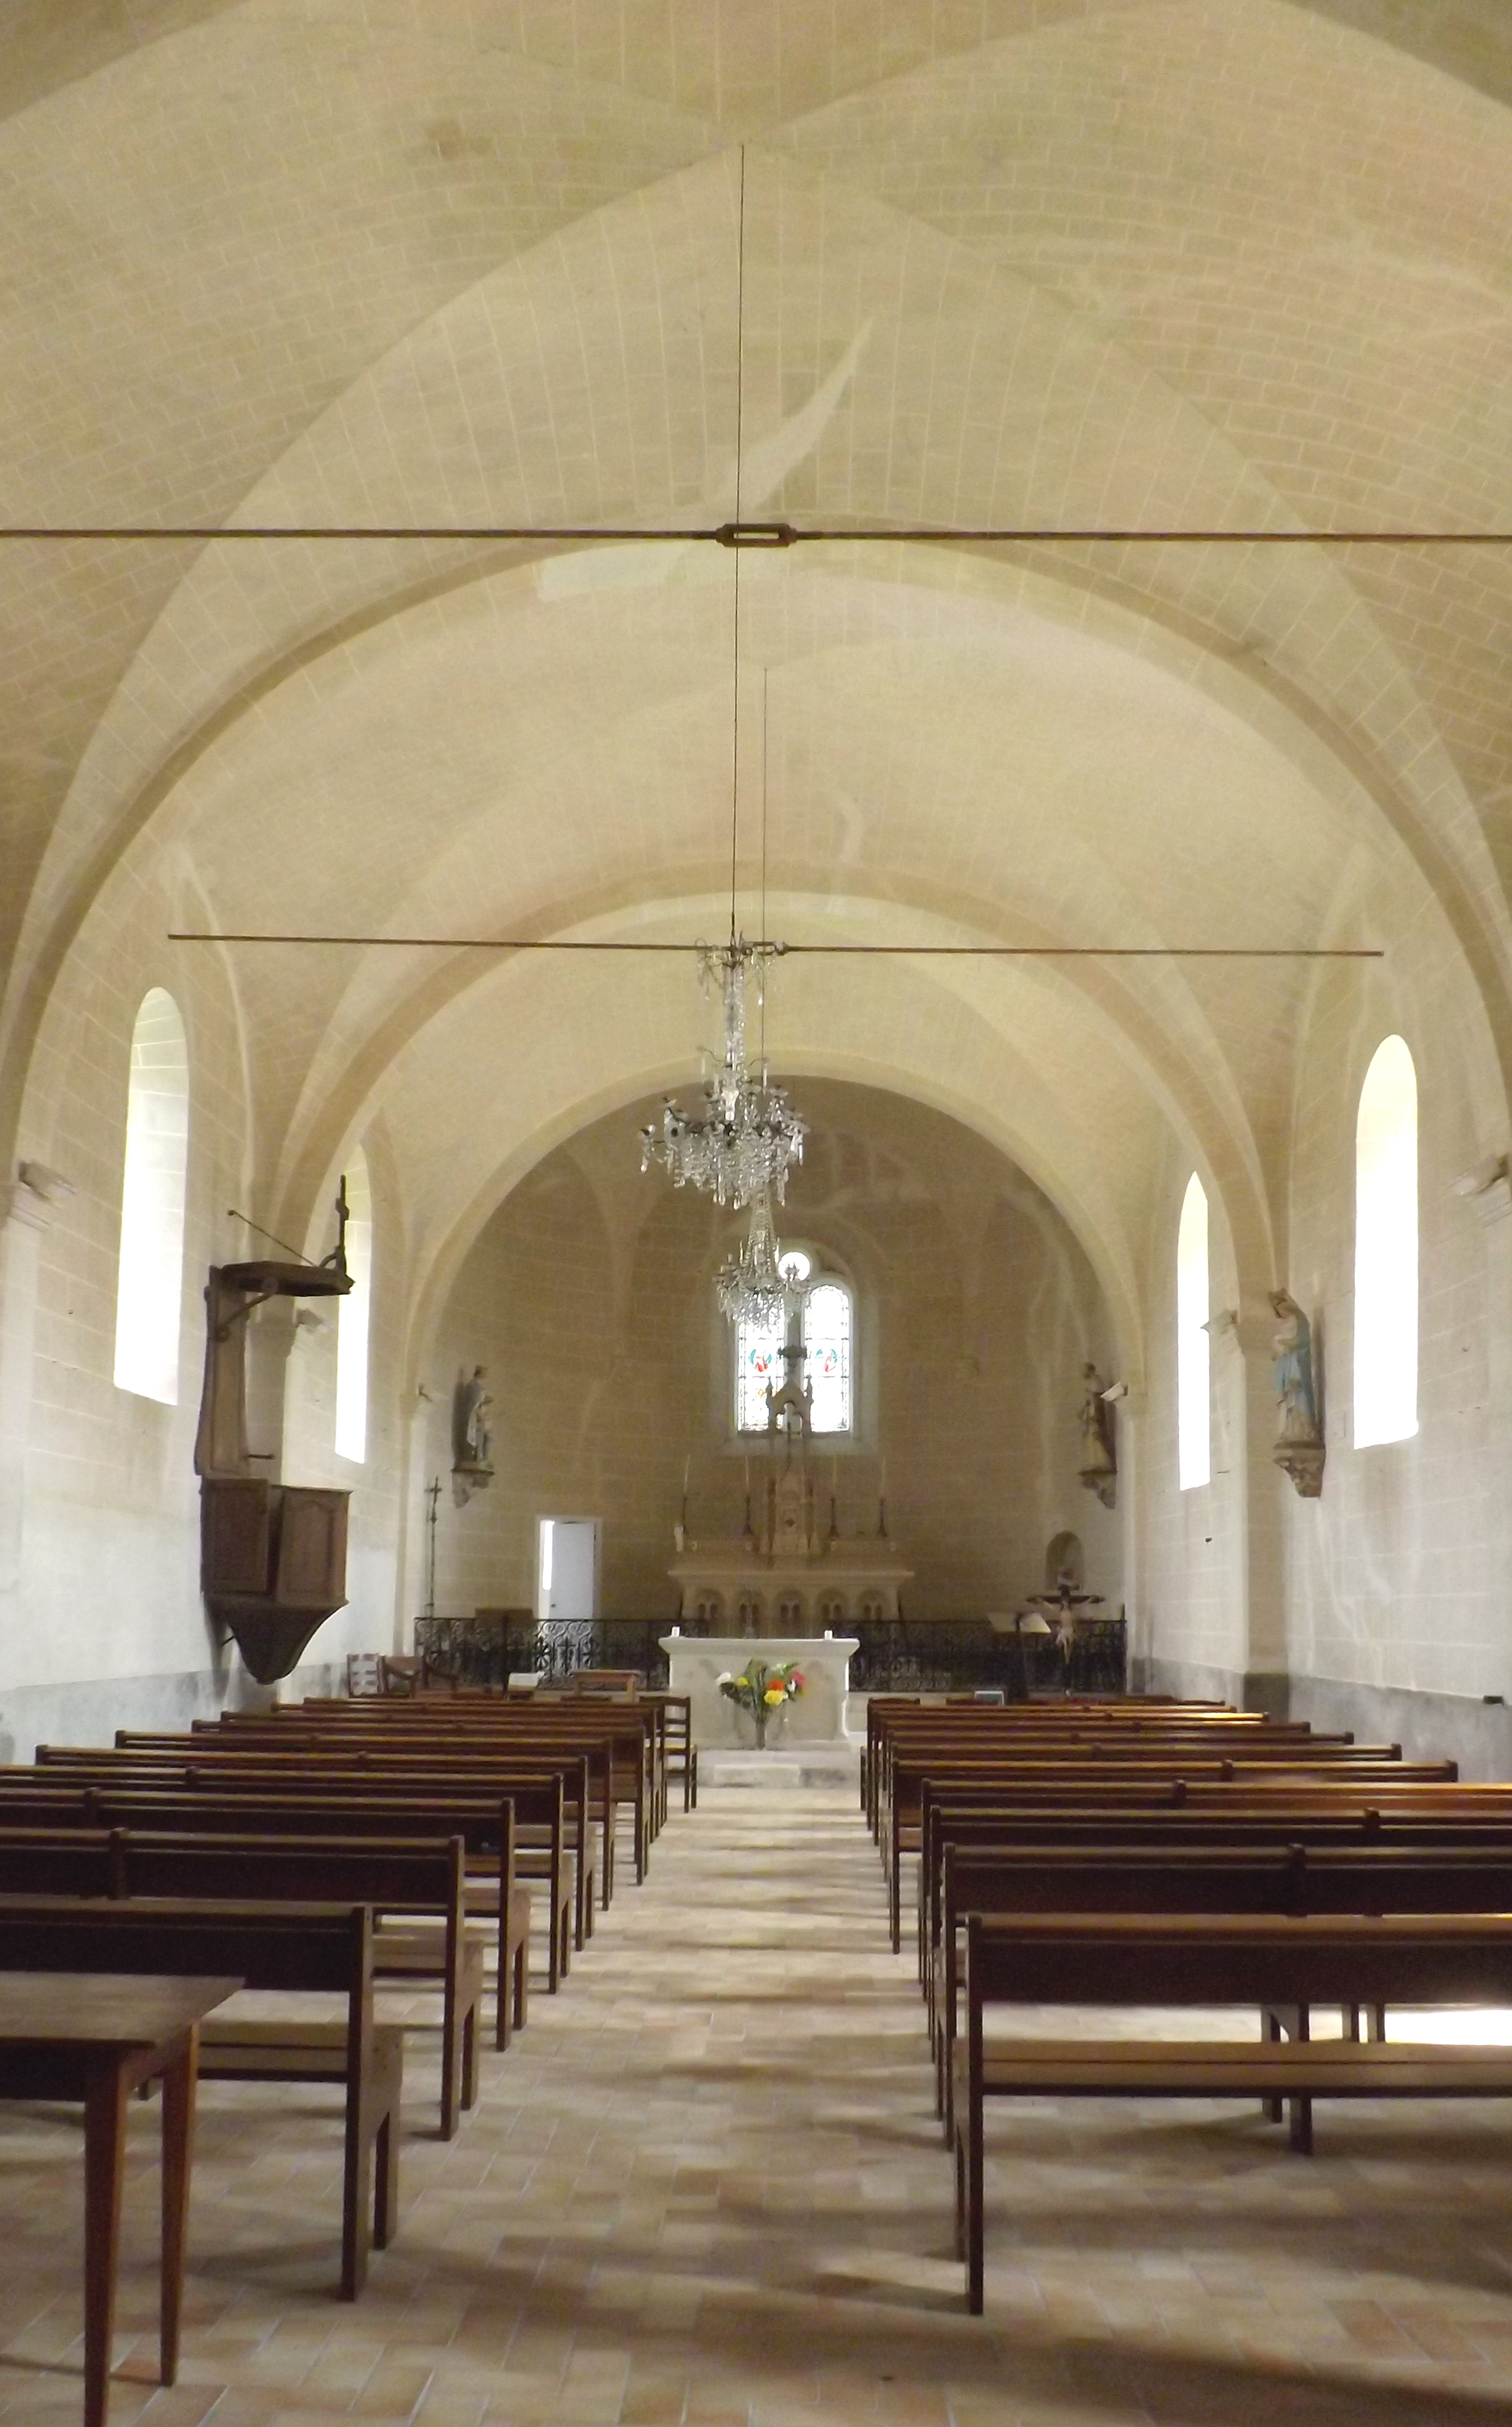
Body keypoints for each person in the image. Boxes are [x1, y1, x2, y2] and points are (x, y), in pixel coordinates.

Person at [1269, 1291, 1319, 1443]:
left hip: (1297, 1367)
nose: (1281, 1312)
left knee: (1299, 1396)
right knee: (1288, 1400)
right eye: (1278, 1309)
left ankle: (1304, 1431)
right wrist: (1277, 1351)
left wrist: (1287, 1344)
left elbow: (1301, 1342)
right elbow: (1276, 1354)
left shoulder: (1300, 1321)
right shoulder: (1284, 1326)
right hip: (1286, 1367)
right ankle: (1289, 1431)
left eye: (1282, 1307)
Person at [456, 1365, 493, 1468]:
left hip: (481, 1416)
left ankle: (481, 1458)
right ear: (479, 1373)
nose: (486, 1375)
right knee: (477, 1437)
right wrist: (477, 1414)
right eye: (484, 1373)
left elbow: (479, 1400)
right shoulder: (473, 1385)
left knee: (486, 1437)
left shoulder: (479, 1386)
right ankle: (474, 1458)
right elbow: (473, 1403)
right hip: (475, 1417)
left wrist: (487, 1400)